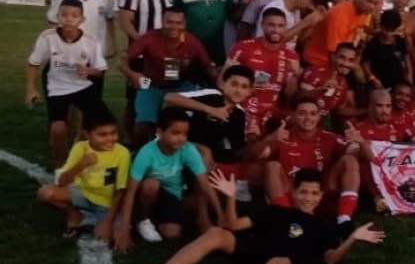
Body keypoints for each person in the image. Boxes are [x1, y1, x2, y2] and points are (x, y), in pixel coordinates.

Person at [113, 168, 384, 264]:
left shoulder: (324, 224)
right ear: (293, 191)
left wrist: (352, 238)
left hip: (278, 262)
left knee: (281, 263)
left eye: (314, 193)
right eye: (303, 192)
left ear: (321, 195)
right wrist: (230, 198)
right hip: (252, 248)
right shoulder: (274, 210)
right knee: (217, 233)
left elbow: (330, 259)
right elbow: (233, 225)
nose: (309, 197)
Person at [163, 66, 255, 226]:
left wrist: (259, 140)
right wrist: (210, 110)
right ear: (223, 84)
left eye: (244, 87)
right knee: (205, 153)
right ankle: (203, 220)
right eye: (234, 84)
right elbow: (170, 97)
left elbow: (237, 149)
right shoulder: (211, 96)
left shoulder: (240, 114)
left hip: (205, 158)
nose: (238, 90)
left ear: (249, 92)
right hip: (182, 143)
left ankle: (181, 206)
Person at [254, 96, 366, 226]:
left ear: (319, 117)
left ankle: (344, 220)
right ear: (293, 115)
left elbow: (357, 153)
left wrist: (360, 142)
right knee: (272, 166)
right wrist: (270, 138)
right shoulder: (282, 136)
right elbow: (256, 156)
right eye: (302, 113)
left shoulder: (329, 137)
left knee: (350, 160)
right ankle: (285, 220)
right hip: (293, 194)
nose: (308, 118)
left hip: (320, 193)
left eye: (313, 114)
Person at [27, 0, 109, 166]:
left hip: (82, 86)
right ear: (58, 17)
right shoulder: (47, 37)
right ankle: (61, 164)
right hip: (57, 86)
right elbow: (33, 63)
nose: (69, 19)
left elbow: (101, 70)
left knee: (102, 124)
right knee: (58, 129)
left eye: (74, 15)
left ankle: (99, 160)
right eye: (64, 15)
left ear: (82, 19)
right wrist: (31, 88)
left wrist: (89, 71)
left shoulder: (91, 41)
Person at [121, 6, 215, 147]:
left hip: (180, 86)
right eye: (169, 22)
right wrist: (132, 74)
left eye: (179, 23)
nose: (174, 27)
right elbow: (123, 60)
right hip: (152, 86)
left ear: (185, 24)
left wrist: (216, 74)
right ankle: (142, 156)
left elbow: (207, 65)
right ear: (162, 22)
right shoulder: (150, 38)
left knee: (189, 123)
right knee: (143, 127)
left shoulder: (192, 41)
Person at [37, 109, 131, 242]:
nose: (110, 139)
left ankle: (102, 219)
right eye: (102, 134)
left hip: (107, 203)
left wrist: (107, 222)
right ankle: (74, 214)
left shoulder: (122, 153)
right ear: (87, 134)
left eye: (113, 133)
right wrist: (81, 165)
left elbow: (120, 190)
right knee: (45, 193)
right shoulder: (80, 148)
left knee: (113, 237)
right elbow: (61, 182)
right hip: (84, 194)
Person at [121, 107, 210, 243]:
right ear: (160, 132)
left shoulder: (187, 148)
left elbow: (204, 183)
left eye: (185, 134)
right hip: (150, 191)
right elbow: (130, 191)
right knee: (151, 184)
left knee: (172, 233)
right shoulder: (147, 152)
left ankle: (160, 217)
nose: (181, 138)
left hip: (173, 194)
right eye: (175, 133)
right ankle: (143, 219)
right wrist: (124, 229)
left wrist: (219, 216)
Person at [118, 0, 175, 139]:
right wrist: (143, 42)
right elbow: (125, 20)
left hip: (169, 53)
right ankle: (128, 136)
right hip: (142, 55)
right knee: (137, 94)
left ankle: (157, 134)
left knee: (167, 91)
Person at [47, 0, 116, 93]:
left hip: (96, 53)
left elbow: (110, 19)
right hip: (71, 54)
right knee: (72, 95)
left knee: (94, 95)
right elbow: (52, 23)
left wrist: (112, 43)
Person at [227, 8, 302, 132]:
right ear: (262, 25)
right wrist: (247, 87)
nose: (276, 30)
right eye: (271, 25)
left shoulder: (291, 55)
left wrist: (295, 76)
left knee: (298, 121)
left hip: (272, 113)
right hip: (243, 108)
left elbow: (290, 96)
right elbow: (222, 82)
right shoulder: (243, 47)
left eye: (280, 26)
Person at [302, 0, 380, 67]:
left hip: (340, 58)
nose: (372, 6)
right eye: (369, 1)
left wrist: (378, 33)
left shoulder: (362, 11)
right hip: (319, 61)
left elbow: (360, 24)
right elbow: (333, 52)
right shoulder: (340, 15)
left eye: (375, 4)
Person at [256, 0, 324, 49]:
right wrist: (305, 22)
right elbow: (274, 41)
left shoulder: (296, 10)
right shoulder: (275, 9)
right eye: (310, 2)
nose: (310, 6)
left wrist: (311, 26)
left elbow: (295, 39)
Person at [298, 42, 362, 120]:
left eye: (351, 60)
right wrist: (321, 90)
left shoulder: (344, 84)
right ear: (333, 57)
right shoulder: (315, 72)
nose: (346, 63)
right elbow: (297, 98)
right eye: (342, 58)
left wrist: (368, 111)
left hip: (315, 126)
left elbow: (339, 111)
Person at [362, 9, 409, 91]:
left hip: (397, 84)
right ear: (381, 26)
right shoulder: (373, 43)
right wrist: (372, 78)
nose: (388, 33)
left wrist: (408, 77)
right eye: (386, 30)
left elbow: (407, 61)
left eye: (392, 31)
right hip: (378, 85)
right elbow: (365, 63)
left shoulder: (400, 41)